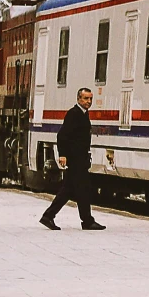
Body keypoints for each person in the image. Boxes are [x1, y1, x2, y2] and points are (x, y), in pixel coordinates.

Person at [40, 87, 105, 231]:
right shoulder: (73, 114)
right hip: (75, 159)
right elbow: (62, 136)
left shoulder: (83, 114)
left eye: (90, 99)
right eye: (86, 98)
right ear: (78, 99)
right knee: (80, 189)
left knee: (73, 190)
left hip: (80, 158)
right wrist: (62, 154)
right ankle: (86, 221)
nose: (89, 102)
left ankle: (50, 216)